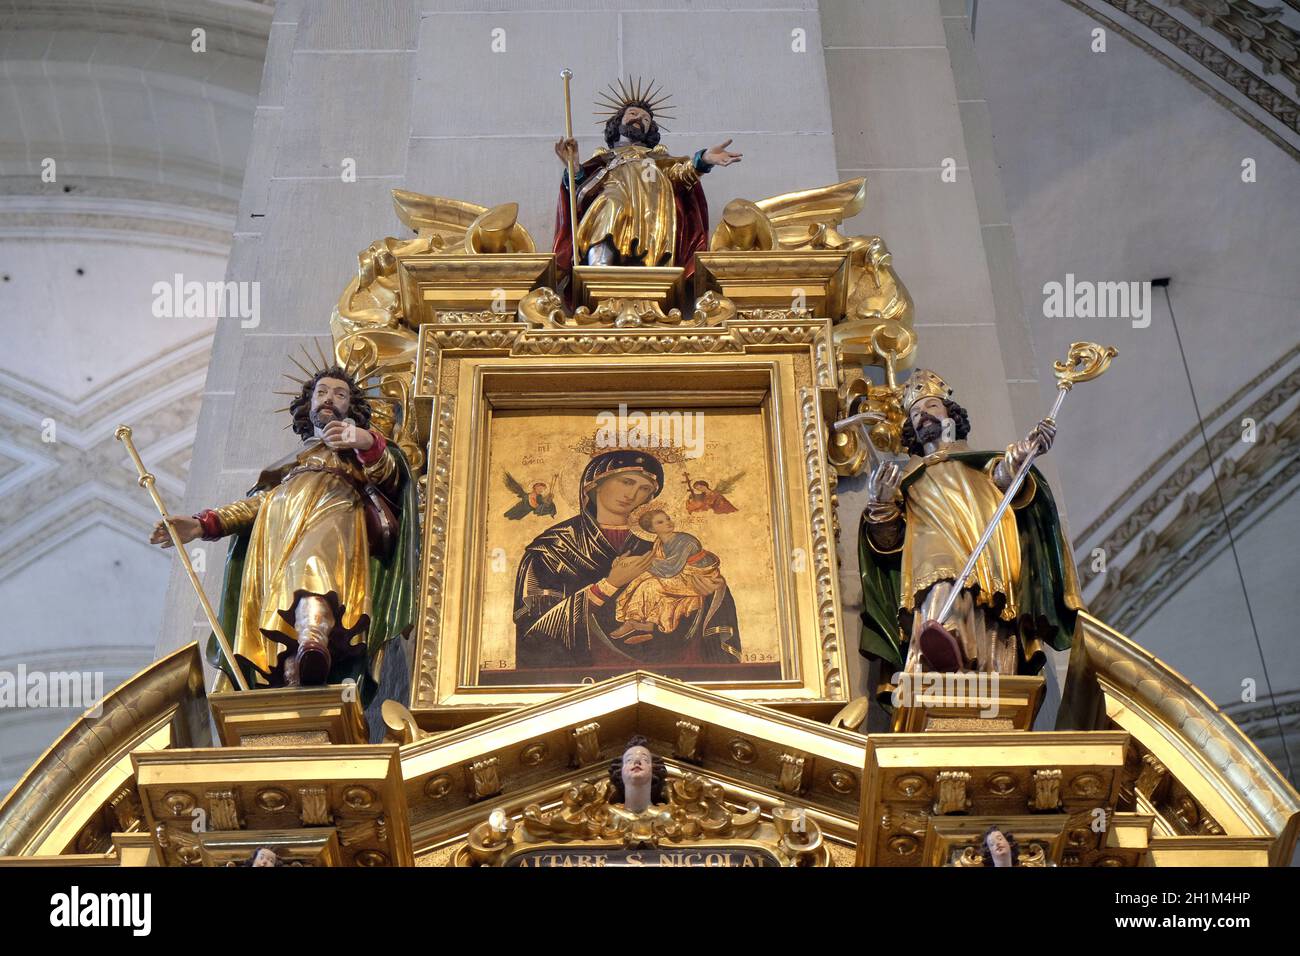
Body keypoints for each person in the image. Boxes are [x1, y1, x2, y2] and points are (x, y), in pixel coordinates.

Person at [149, 363, 418, 696]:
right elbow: (256, 506)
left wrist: (363, 441)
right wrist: (201, 524)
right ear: (309, 404)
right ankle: (292, 670)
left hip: (336, 510)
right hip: (280, 531)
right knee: (286, 592)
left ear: (353, 407)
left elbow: (390, 476)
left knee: (315, 565)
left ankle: (314, 637)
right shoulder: (291, 465)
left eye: (340, 394)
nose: (329, 399)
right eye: (322, 392)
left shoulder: (353, 456)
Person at [859, 369, 1082, 678]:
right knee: (941, 592)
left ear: (951, 413)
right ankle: (941, 659)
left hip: (985, 564)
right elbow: (887, 546)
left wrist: (1022, 457)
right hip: (931, 565)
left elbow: (1003, 482)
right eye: (915, 413)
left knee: (992, 631)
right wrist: (881, 503)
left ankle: (987, 673)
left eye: (931, 406)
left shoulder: (980, 466)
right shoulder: (907, 483)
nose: (923, 415)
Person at [512, 449, 741, 671]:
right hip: (584, 677)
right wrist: (607, 586)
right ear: (595, 484)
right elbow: (535, 630)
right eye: (626, 482)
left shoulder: (658, 543)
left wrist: (709, 591)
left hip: (663, 673)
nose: (632, 495)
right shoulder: (554, 548)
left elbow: (694, 581)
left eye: (644, 489)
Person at [552, 78, 742, 298]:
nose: (639, 119)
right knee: (611, 206)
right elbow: (580, 195)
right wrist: (574, 166)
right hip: (614, 194)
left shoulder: (658, 160)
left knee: (652, 228)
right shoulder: (604, 160)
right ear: (619, 121)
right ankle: (599, 269)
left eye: (645, 119)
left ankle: (653, 270)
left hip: (653, 206)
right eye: (633, 114)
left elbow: (681, 175)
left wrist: (704, 160)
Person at [611, 509, 727, 643]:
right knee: (641, 579)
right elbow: (658, 564)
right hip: (680, 576)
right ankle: (642, 623)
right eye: (660, 522)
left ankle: (632, 620)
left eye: (668, 519)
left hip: (698, 578)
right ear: (652, 529)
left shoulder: (686, 541)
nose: (668, 523)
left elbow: (670, 568)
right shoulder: (659, 543)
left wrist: (634, 561)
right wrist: (626, 562)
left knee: (650, 585)